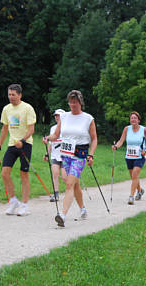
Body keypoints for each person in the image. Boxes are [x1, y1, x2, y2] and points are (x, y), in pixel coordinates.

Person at [43, 90, 97, 227]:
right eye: (71, 102)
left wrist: (91, 154)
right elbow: (56, 135)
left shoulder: (88, 118)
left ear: (80, 102)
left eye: (75, 102)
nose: (73, 104)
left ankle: (62, 215)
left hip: (80, 155)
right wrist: (48, 138)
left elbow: (94, 139)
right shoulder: (64, 117)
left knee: (69, 184)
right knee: (74, 184)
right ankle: (82, 208)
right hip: (66, 154)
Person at [0, 84, 36, 216]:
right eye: (9, 94)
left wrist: (22, 141)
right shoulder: (6, 109)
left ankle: (24, 205)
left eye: (13, 95)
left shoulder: (27, 108)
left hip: (25, 144)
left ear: (20, 95)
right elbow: (5, 128)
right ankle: (13, 202)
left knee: (24, 174)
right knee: (4, 173)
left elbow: (31, 129)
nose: (11, 97)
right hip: (12, 145)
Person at [112, 111, 146, 205]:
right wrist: (116, 146)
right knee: (133, 176)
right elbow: (121, 141)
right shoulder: (127, 129)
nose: (133, 119)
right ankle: (140, 190)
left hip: (140, 155)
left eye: (135, 118)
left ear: (138, 120)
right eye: (131, 118)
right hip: (129, 156)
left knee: (135, 174)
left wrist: (145, 151)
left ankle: (131, 197)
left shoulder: (144, 130)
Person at [44, 109, 67, 202]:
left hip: (65, 156)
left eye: (58, 116)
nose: (56, 117)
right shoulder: (53, 128)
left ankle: (70, 191)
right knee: (55, 175)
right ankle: (56, 194)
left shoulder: (67, 128)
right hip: (55, 155)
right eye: (55, 116)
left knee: (65, 177)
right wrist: (47, 154)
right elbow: (50, 143)